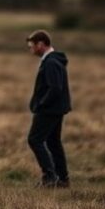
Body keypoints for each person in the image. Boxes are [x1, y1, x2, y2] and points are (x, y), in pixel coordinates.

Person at [25, 30, 71, 188]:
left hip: (49, 110)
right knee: (53, 142)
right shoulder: (52, 60)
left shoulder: (51, 62)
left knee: (35, 139)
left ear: (41, 44)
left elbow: (55, 88)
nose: (31, 50)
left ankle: (50, 176)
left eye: (32, 46)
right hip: (55, 109)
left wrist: (41, 104)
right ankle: (63, 179)